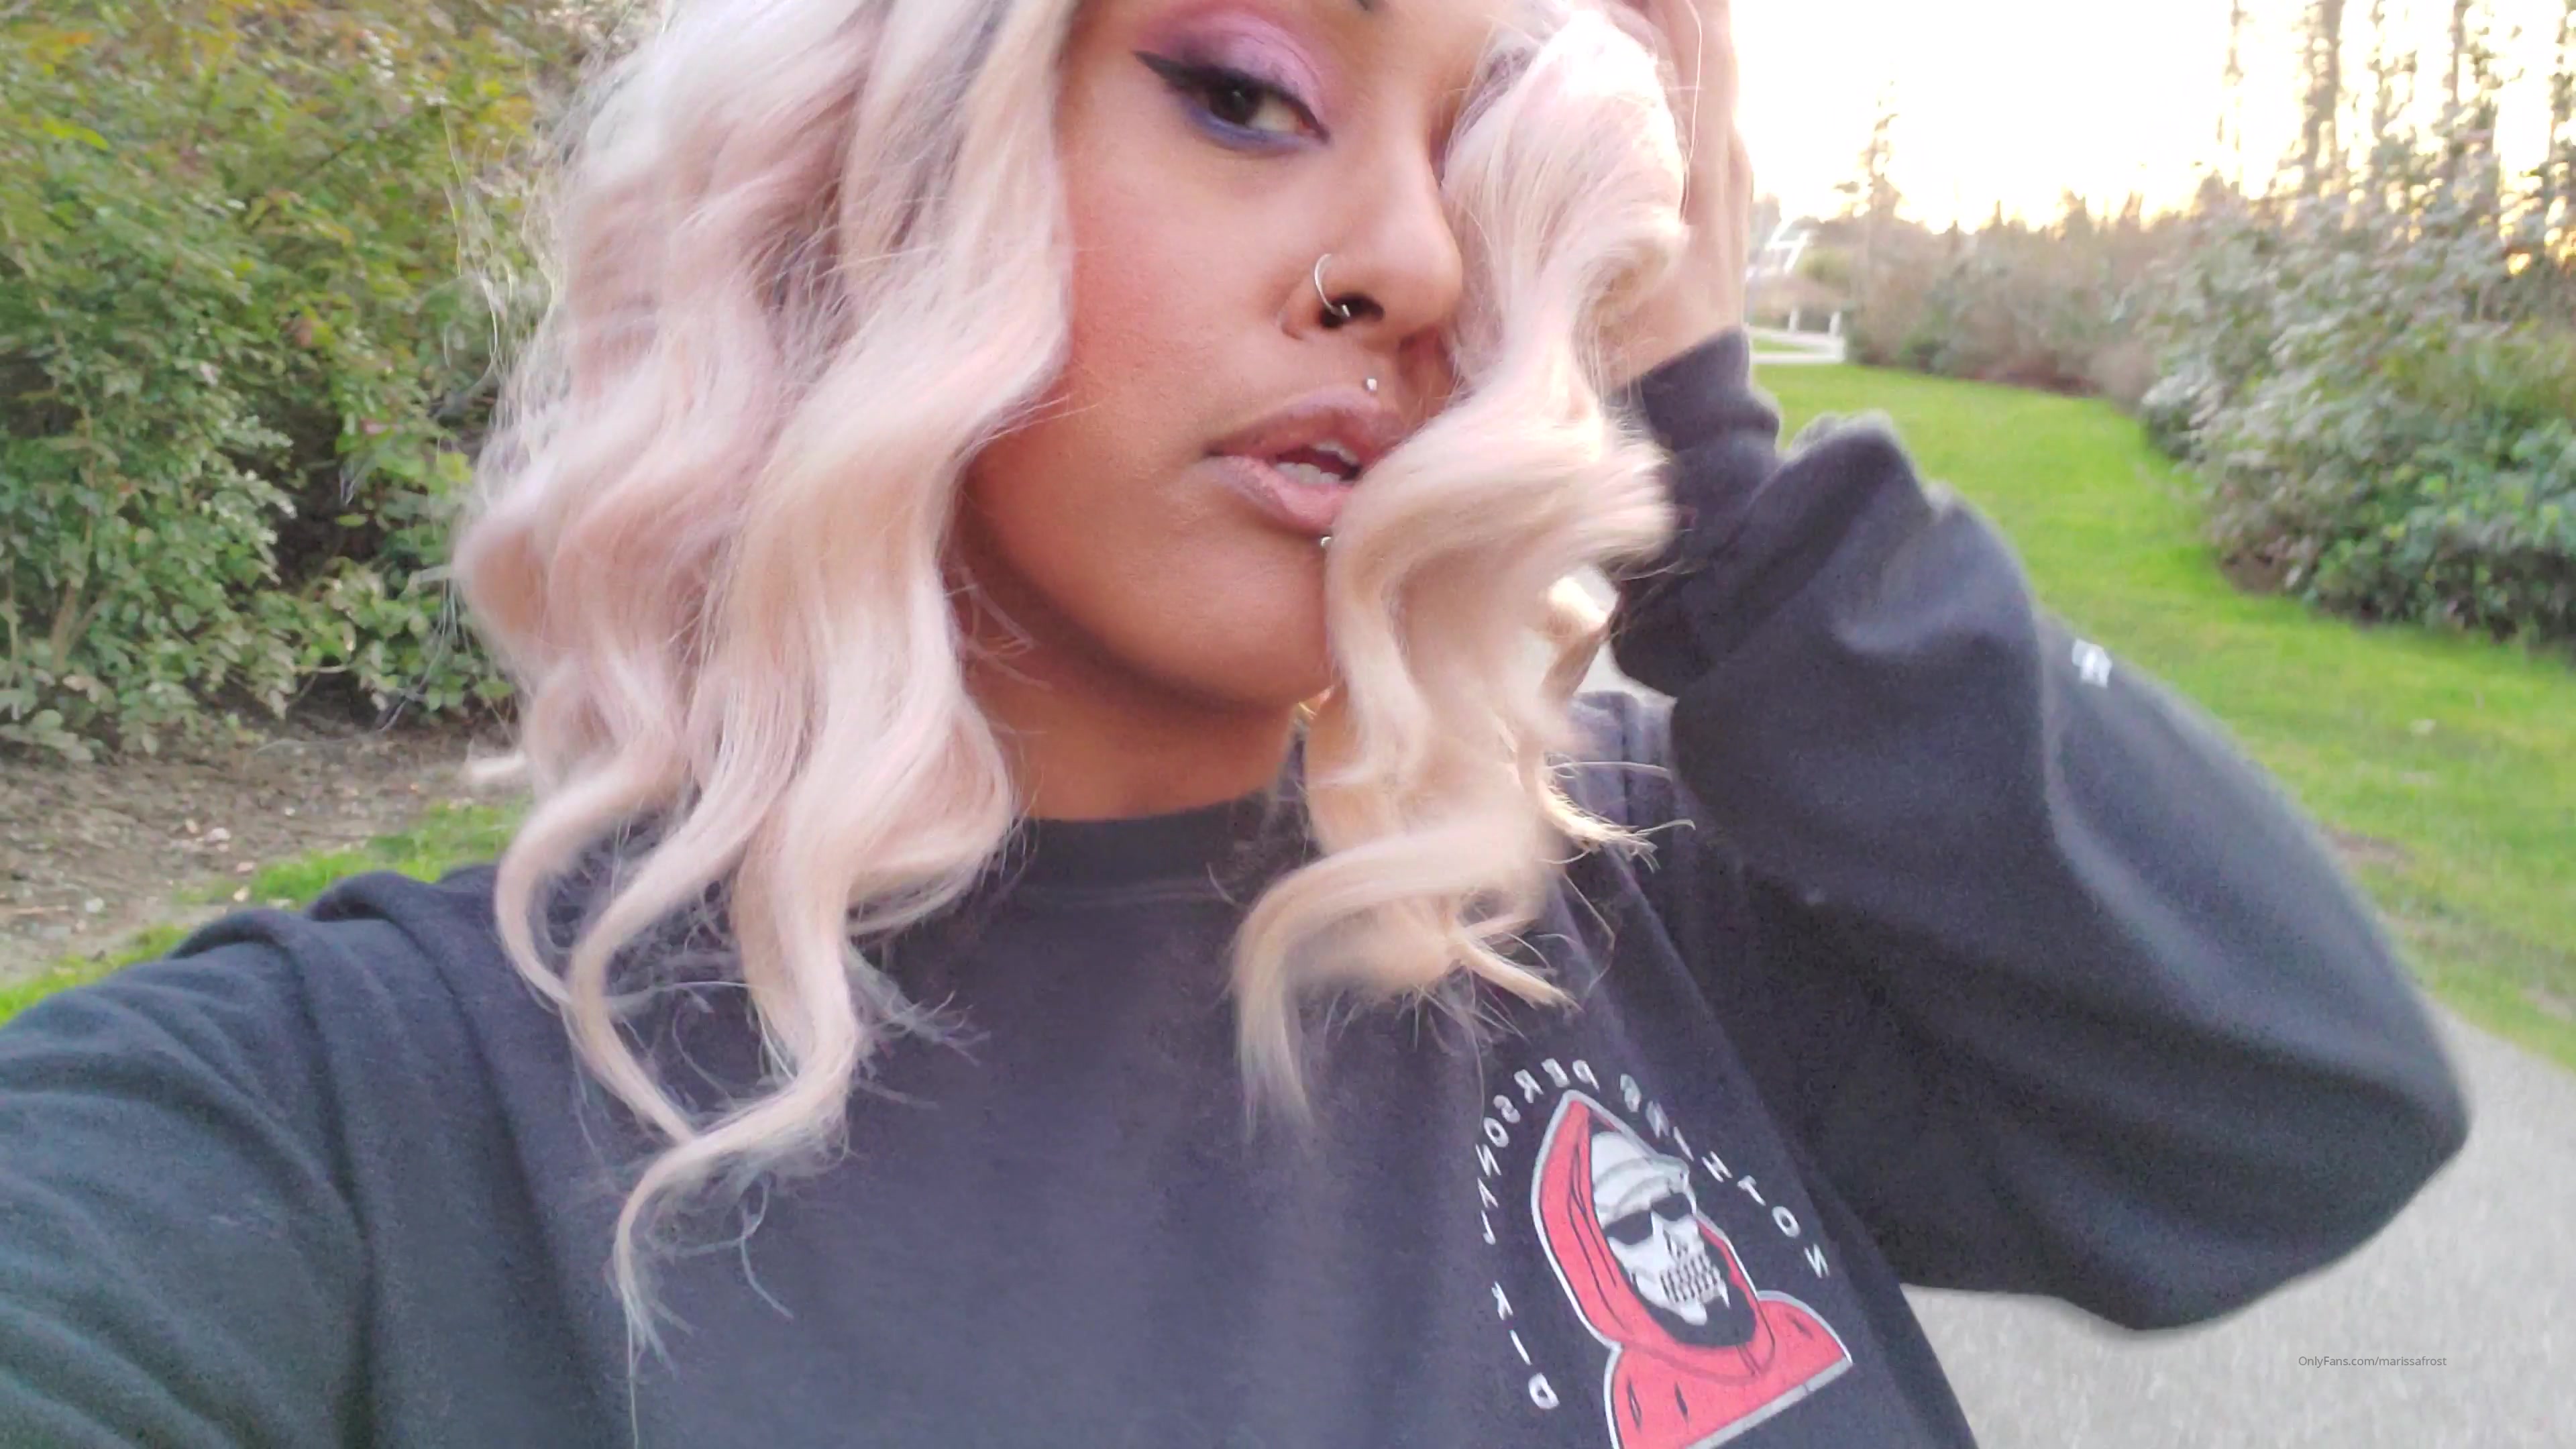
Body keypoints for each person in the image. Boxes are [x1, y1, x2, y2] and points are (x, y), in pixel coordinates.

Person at [0, 0, 2467, 1445]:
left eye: (1480, 159)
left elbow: (2299, 1109)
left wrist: (1704, 453)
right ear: (863, 165)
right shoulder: (353, 1127)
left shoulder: (1624, 894)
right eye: (1251, 90)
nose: (1411, 257)